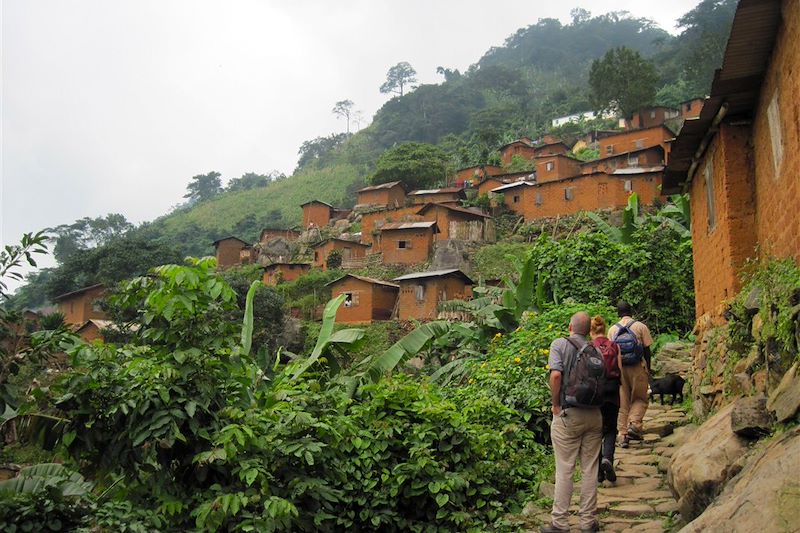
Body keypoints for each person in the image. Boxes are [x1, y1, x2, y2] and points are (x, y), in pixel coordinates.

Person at [541, 311, 601, 533]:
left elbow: (556, 376)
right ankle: (588, 523)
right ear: (589, 330)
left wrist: (555, 405)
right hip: (594, 415)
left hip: (568, 414)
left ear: (570, 327)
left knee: (565, 469)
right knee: (590, 469)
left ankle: (560, 523)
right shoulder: (596, 348)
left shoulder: (560, 344)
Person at [608, 301, 653, 448]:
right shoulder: (640, 326)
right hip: (637, 367)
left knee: (623, 402)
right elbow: (647, 350)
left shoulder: (612, 330)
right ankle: (634, 424)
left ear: (618, 312)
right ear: (631, 311)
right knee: (640, 398)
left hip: (620, 370)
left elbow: (611, 353)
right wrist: (649, 369)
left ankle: (622, 435)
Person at [590, 315, 621, 483]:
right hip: (612, 392)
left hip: (595, 394)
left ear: (591, 331)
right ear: (604, 328)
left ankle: (598, 473)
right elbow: (620, 369)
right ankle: (607, 458)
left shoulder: (588, 347)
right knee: (610, 429)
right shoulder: (614, 346)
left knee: (595, 432)